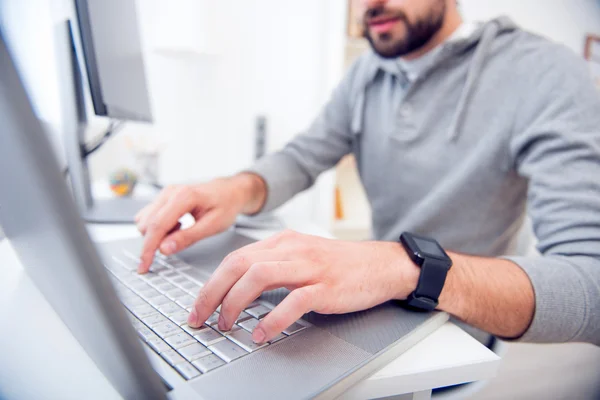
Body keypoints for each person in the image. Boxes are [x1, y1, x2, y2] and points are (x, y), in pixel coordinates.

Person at [135, 0, 600, 347]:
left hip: (456, 333)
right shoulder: (367, 72)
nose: (366, 5)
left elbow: (590, 284)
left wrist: (403, 266)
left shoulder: (547, 72)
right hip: (370, 314)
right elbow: (302, 158)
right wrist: (236, 188)